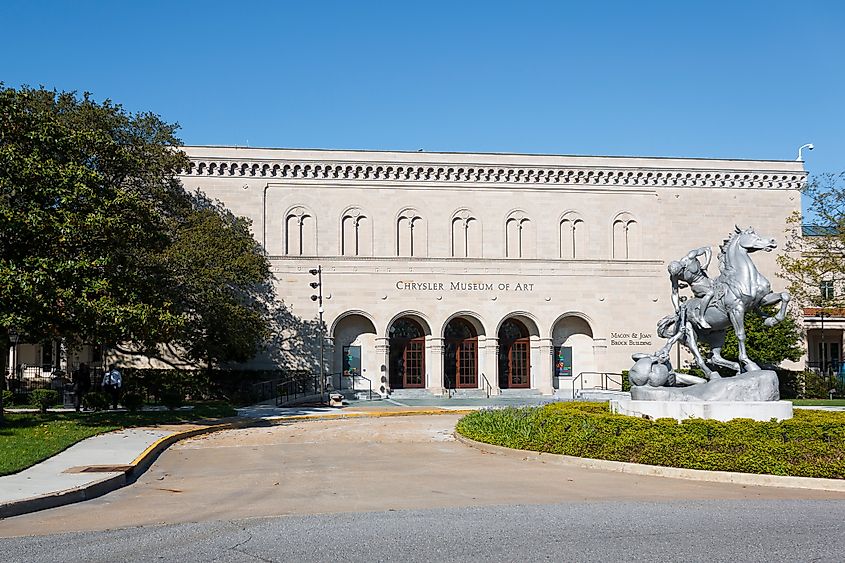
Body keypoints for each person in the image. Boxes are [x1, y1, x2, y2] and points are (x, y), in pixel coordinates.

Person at [667, 246, 716, 329]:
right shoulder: (674, 276)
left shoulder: (690, 257)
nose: (679, 276)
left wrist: (706, 263)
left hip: (707, 280)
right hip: (696, 285)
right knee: (710, 293)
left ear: (682, 268)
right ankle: (701, 318)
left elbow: (707, 249)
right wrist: (676, 307)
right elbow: (675, 292)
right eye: (676, 275)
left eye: (679, 273)